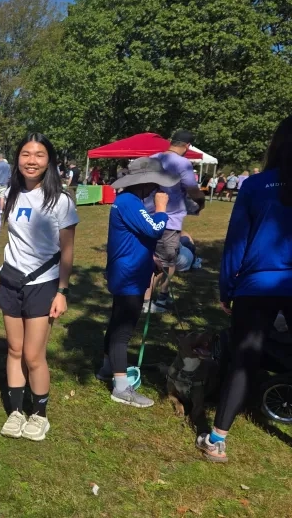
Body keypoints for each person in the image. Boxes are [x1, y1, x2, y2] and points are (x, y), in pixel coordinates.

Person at [196, 115, 292, 462]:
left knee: (244, 361)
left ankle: (217, 438)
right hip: (265, 282)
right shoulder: (255, 186)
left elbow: (237, 243)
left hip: (256, 286)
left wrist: (227, 288)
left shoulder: (255, 186)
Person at [0, 133, 77, 441]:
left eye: (39, 155)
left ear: (49, 160)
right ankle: (16, 411)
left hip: (43, 284)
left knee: (33, 355)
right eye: (26, 154)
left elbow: (68, 250)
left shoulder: (61, 201)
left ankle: (39, 415)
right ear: (18, 159)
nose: (32, 160)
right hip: (11, 280)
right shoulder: (11, 194)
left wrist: (62, 290)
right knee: (14, 349)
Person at [96, 158, 174, 408]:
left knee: (118, 320)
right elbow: (153, 229)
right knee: (123, 330)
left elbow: (134, 235)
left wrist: (149, 257)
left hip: (129, 270)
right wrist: (161, 209)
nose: (158, 188)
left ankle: (108, 368)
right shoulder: (129, 201)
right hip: (129, 275)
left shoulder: (129, 201)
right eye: (155, 182)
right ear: (145, 182)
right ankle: (121, 388)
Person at [143, 129, 205, 313]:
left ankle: (147, 299)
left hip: (147, 217)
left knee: (149, 259)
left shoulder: (153, 158)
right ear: (187, 146)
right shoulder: (182, 163)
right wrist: (201, 202)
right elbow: (193, 190)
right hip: (169, 221)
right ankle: (157, 299)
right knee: (168, 262)